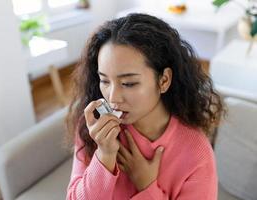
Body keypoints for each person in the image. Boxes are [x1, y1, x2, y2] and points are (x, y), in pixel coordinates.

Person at [65, 13, 223, 200]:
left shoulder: (196, 153)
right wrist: (104, 155)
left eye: (129, 83)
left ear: (164, 80)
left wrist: (147, 187)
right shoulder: (94, 127)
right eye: (105, 81)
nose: (113, 97)